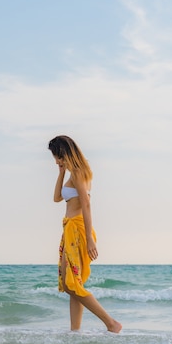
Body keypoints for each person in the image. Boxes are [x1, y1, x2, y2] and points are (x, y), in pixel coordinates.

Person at [48, 135, 122, 333]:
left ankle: (111, 323)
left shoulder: (80, 172)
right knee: (72, 284)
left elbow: (87, 204)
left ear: (64, 153)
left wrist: (89, 239)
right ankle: (75, 332)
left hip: (79, 230)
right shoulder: (72, 172)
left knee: (69, 283)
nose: (56, 161)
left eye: (57, 157)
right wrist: (61, 172)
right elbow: (56, 198)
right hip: (69, 229)